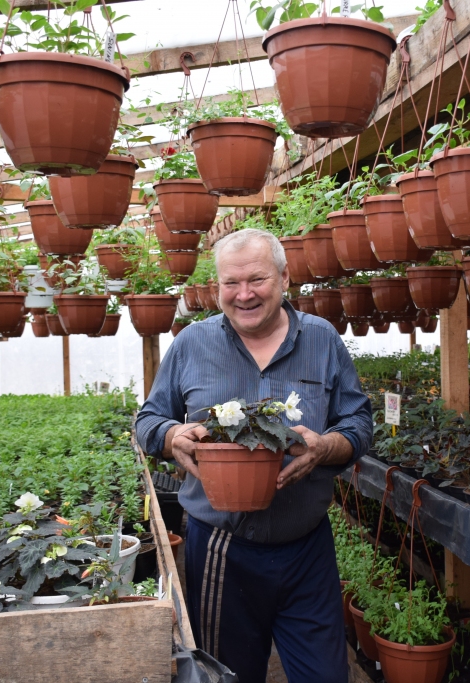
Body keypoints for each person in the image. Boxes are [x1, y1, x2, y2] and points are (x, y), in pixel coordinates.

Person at [134, 228, 372, 683]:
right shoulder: (191, 344)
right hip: (223, 549)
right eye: (231, 283)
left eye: (257, 280)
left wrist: (324, 447)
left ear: (284, 278)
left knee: (325, 675)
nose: (244, 294)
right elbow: (147, 420)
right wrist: (170, 436)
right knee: (228, 676)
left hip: (306, 547)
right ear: (217, 286)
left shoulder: (322, 340)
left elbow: (359, 425)